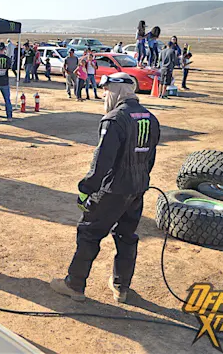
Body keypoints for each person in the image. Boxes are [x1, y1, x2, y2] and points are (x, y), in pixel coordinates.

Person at [51, 72, 160, 303]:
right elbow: (150, 159)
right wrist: (140, 181)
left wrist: (86, 189)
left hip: (113, 190)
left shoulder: (114, 120)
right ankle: (122, 287)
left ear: (117, 91)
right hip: (137, 188)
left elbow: (102, 162)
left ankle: (74, 284)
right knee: (126, 236)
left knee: (89, 234)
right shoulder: (150, 118)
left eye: (106, 90)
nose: (104, 96)